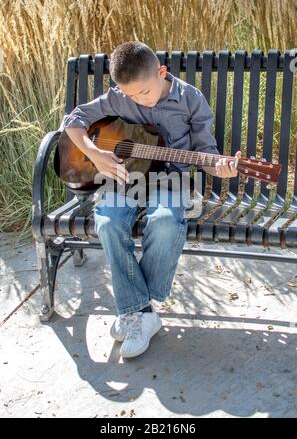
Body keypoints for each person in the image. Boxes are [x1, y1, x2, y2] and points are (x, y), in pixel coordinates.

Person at [59, 41, 241, 358]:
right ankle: (142, 313)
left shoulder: (190, 100)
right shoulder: (119, 96)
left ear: (162, 71)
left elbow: (207, 153)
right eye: (130, 96)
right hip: (126, 176)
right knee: (108, 220)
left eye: (144, 93)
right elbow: (73, 120)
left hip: (172, 178)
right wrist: (95, 153)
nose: (137, 101)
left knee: (166, 221)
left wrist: (223, 170)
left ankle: (135, 310)